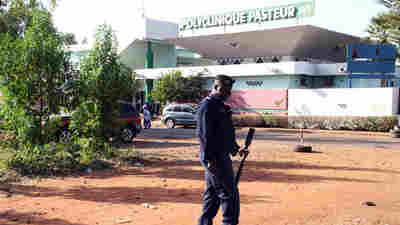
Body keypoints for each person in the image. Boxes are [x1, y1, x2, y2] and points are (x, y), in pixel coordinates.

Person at [196, 74, 242, 225]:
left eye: (229, 90)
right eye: (225, 89)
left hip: (222, 155)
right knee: (229, 195)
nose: (228, 93)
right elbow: (204, 135)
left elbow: (225, 132)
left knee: (213, 195)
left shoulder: (221, 106)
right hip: (215, 158)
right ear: (215, 87)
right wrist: (209, 160)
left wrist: (236, 149)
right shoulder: (207, 106)